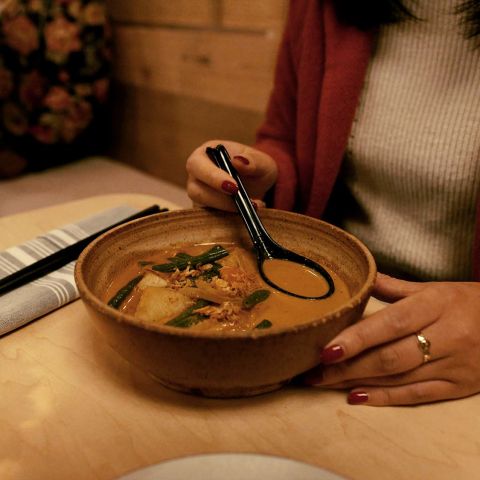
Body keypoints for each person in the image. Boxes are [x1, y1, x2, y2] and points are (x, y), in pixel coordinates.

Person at [185, 0, 480, 406]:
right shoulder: (317, 6)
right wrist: (262, 178)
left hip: (461, 349)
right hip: (328, 299)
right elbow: (285, 135)